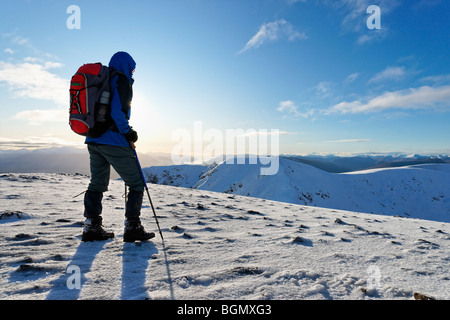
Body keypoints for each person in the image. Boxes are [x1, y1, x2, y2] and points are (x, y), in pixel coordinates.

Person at [82, 51, 155, 243]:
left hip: (93, 139)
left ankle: (92, 226)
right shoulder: (121, 80)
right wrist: (128, 132)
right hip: (113, 140)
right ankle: (133, 227)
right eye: (132, 67)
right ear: (126, 65)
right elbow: (117, 111)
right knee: (137, 183)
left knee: (97, 183)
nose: (133, 71)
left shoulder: (101, 80)